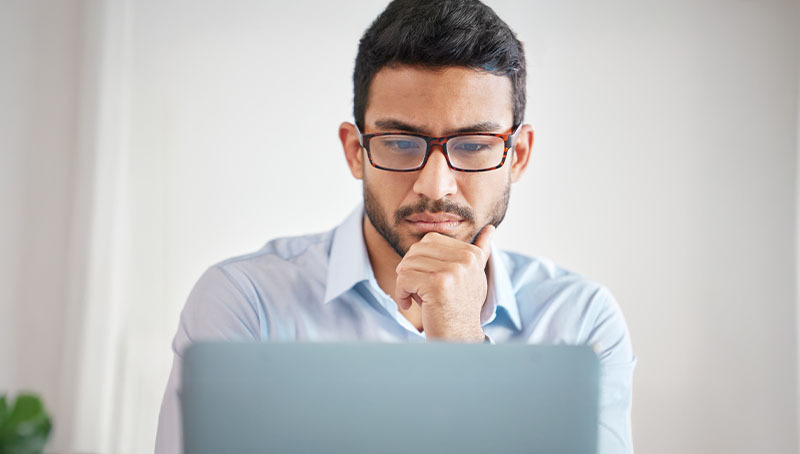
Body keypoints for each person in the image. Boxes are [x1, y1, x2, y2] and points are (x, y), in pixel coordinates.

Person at [155, 0, 636, 452]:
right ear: (355, 151)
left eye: (473, 145)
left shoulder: (580, 321)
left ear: (519, 156)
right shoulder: (246, 302)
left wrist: (463, 343)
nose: (436, 186)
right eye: (401, 142)